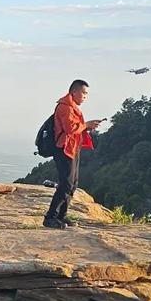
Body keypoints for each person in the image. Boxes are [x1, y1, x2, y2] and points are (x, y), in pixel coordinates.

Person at [44, 79, 103, 229]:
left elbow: (75, 129)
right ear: (74, 92)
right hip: (63, 149)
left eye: (86, 94)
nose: (85, 96)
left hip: (72, 148)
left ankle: (61, 216)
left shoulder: (73, 107)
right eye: (83, 93)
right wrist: (87, 125)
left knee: (72, 184)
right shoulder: (65, 107)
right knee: (66, 183)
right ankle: (50, 217)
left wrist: (87, 127)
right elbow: (70, 129)